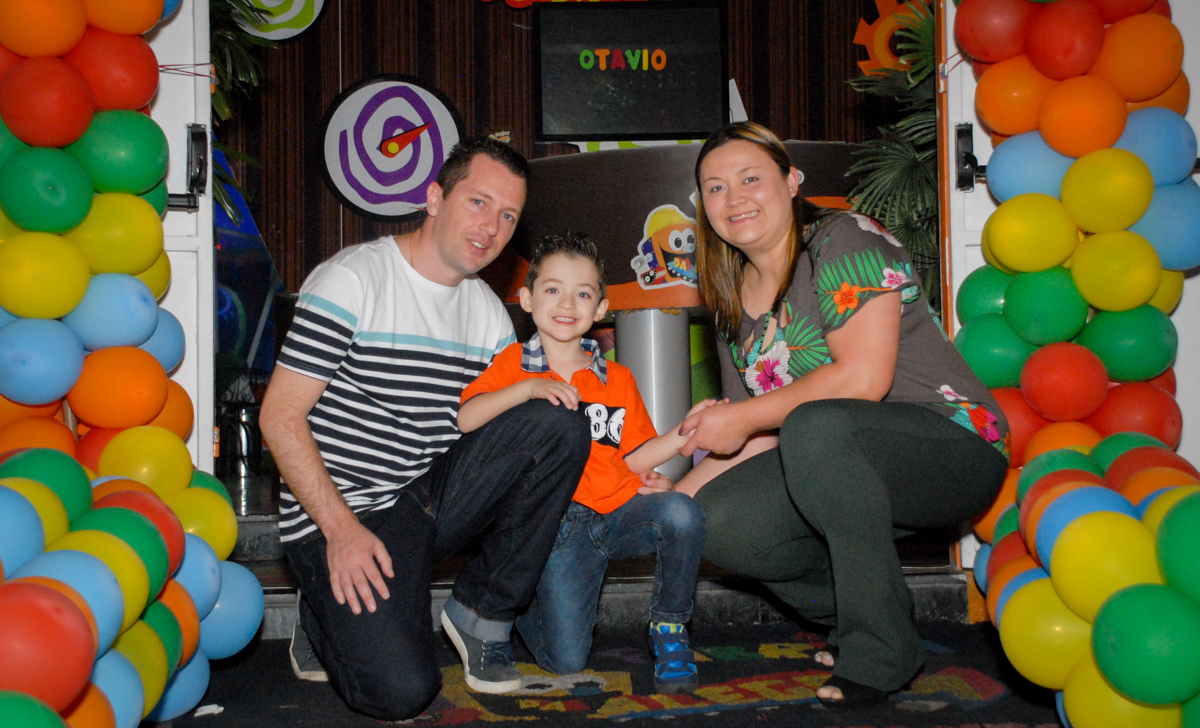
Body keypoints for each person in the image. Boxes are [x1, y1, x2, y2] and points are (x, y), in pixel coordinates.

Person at [673, 122, 1009, 708]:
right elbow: (753, 434)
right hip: (831, 454)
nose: (736, 197)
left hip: (952, 447)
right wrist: (673, 505)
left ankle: (880, 650)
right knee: (716, 521)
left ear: (792, 180)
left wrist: (745, 419)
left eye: (751, 178)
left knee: (818, 423)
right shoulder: (729, 290)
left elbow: (861, 378)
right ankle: (870, 613)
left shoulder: (843, 239)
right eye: (717, 188)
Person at [259, 138, 593, 721]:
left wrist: (635, 473)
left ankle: (481, 613)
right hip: (340, 511)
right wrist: (339, 531)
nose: (491, 228)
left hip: (424, 499)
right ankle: (322, 614)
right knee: (401, 692)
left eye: (508, 216)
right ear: (435, 197)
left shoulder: (488, 311)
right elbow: (279, 417)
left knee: (555, 420)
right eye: (479, 202)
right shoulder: (353, 280)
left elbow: (503, 441)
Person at [458, 233, 710, 694]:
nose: (566, 303)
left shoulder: (618, 377)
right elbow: (467, 417)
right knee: (566, 661)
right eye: (552, 289)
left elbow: (634, 456)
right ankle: (518, 607)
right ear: (527, 299)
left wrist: (684, 434)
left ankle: (671, 629)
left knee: (682, 511)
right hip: (552, 528)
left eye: (582, 293)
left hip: (615, 513)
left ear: (600, 308)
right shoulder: (515, 363)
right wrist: (527, 390)